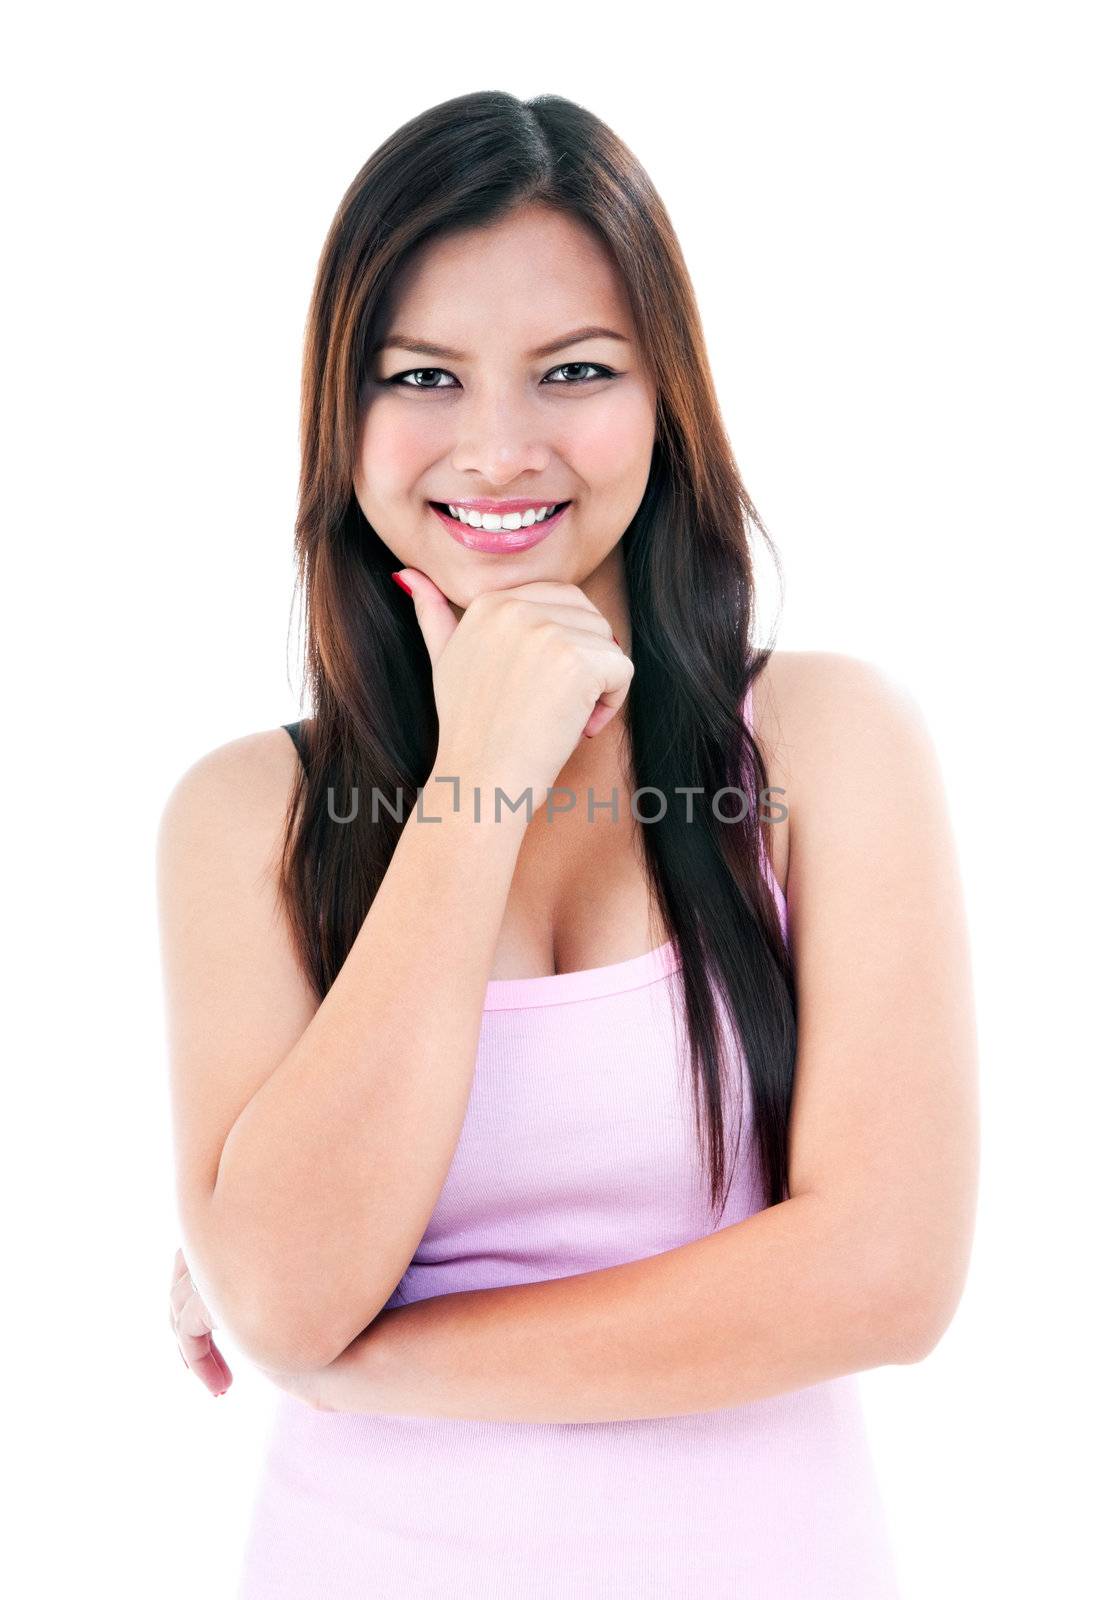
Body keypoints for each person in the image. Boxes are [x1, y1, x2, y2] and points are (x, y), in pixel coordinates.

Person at [159, 90, 978, 1598]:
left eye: (575, 371)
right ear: (341, 413)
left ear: (668, 398)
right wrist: (478, 773)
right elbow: (281, 1289)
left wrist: (362, 1363)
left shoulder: (821, 745)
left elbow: (884, 1276)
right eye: (422, 375)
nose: (497, 447)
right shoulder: (243, 818)